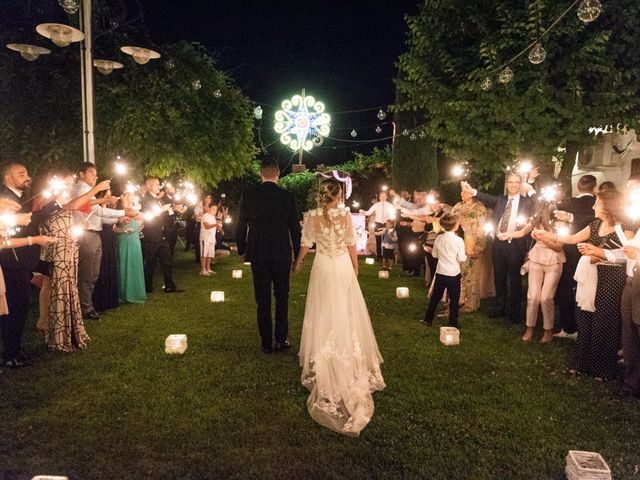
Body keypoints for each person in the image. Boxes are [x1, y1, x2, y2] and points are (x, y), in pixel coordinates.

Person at [294, 179, 385, 436]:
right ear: (339, 195)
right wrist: (355, 266)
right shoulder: (344, 214)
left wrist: (298, 261)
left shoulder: (311, 216)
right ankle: (341, 347)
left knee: (323, 309)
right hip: (341, 265)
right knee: (344, 307)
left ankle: (323, 349)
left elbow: (306, 243)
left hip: (323, 266)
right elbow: (350, 243)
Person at [535, 189, 633, 380]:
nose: (594, 205)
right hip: (590, 278)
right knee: (585, 319)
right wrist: (547, 236)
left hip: (611, 279)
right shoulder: (595, 224)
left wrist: (598, 252)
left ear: (609, 206)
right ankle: (582, 364)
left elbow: (628, 253)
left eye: (598, 202)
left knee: (605, 322)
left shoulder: (625, 226)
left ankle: (603, 369)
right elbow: (571, 239)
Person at [0, 163, 63, 367]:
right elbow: (9, 235)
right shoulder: (5, 200)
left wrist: (53, 204)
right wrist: (34, 239)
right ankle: (9, 354)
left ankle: (16, 348)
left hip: (24, 259)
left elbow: (31, 219)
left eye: (27, 172)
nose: (27, 177)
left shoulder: (19, 199)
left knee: (21, 307)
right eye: (21, 174)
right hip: (11, 260)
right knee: (14, 307)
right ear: (8, 178)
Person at [41, 172, 112, 352]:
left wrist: (78, 226)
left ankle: (72, 329)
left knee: (70, 289)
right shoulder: (49, 200)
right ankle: (59, 334)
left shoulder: (62, 200)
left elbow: (73, 210)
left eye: (70, 183)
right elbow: (71, 205)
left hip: (70, 249)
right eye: (66, 183)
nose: (69, 186)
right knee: (61, 291)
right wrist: (96, 189)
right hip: (59, 252)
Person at [236, 158, 301, 353]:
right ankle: (281, 340)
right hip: (281, 252)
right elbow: (295, 229)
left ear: (260, 173)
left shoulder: (249, 195)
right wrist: (297, 255)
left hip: (258, 252)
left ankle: (266, 343)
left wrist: (242, 249)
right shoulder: (288, 197)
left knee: (262, 299)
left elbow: (240, 225)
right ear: (278, 173)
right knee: (282, 297)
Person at [462, 174, 533, 323]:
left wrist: (531, 183)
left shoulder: (527, 202)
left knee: (514, 280)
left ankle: (514, 313)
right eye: (511, 182)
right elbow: (487, 198)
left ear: (520, 184)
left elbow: (540, 204)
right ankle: (499, 308)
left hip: (516, 244)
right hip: (499, 244)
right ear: (507, 184)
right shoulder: (501, 200)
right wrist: (473, 191)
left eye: (516, 182)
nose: (513, 185)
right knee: (499, 277)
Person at [71, 163, 135, 320]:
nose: (95, 176)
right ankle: (85, 308)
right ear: (81, 174)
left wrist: (119, 217)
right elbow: (97, 210)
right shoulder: (82, 190)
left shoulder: (87, 191)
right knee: (88, 273)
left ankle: (87, 304)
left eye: (96, 173)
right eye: (91, 173)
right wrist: (123, 211)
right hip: (86, 234)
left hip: (93, 233)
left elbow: (97, 216)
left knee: (92, 273)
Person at [499, 198, 565, 342]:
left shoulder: (559, 223)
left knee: (546, 297)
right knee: (532, 297)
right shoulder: (535, 220)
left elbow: (559, 247)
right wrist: (508, 234)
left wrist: (544, 238)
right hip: (536, 258)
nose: (539, 211)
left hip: (554, 260)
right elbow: (522, 232)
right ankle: (529, 328)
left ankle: (548, 330)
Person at [552, 174, 597, 339]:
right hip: (592, 254)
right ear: (595, 188)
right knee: (587, 291)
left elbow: (551, 211)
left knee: (566, 289)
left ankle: (569, 327)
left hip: (571, 252)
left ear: (578, 186)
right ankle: (586, 329)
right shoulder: (596, 202)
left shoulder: (570, 203)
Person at [421, 213, 467, 328]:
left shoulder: (439, 238)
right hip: (453, 274)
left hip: (441, 272)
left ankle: (428, 319)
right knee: (454, 299)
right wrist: (465, 256)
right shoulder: (458, 240)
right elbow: (461, 258)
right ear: (456, 226)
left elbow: (435, 255)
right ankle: (453, 323)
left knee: (435, 297)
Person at [140, 177, 183, 294]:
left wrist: (174, 209)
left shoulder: (159, 199)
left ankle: (170, 285)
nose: (159, 186)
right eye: (156, 184)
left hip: (162, 233)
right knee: (151, 262)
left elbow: (164, 213)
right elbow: (147, 215)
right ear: (149, 186)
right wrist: (160, 211)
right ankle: (147, 287)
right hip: (151, 233)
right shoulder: (145, 199)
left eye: (159, 184)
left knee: (167, 260)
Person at [451, 187, 487, 313]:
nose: (462, 194)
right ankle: (458, 300)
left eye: (465, 191)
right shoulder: (457, 206)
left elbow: (482, 228)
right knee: (458, 274)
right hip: (457, 243)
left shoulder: (479, 208)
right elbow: (450, 220)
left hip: (471, 244)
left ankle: (471, 304)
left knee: (471, 275)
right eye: (461, 191)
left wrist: (479, 247)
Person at [114, 193, 146, 304]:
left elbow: (140, 217)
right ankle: (125, 293)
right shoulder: (120, 212)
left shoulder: (131, 210)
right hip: (125, 240)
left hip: (134, 240)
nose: (129, 198)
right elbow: (137, 215)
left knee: (134, 263)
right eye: (127, 198)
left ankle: (136, 291)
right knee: (125, 263)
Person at [360, 190, 395, 259]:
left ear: (386, 197)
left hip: (386, 224)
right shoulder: (376, 205)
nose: (382, 197)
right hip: (378, 223)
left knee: (387, 240)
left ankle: (387, 256)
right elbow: (369, 212)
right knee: (378, 240)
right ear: (379, 197)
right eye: (381, 196)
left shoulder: (390, 205)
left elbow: (393, 214)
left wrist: (391, 221)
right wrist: (363, 212)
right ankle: (379, 256)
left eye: (384, 196)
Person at [199, 203, 218, 276]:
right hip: (205, 238)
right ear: (209, 208)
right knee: (204, 254)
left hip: (211, 238)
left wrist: (217, 227)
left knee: (210, 254)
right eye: (213, 208)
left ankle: (208, 268)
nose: (215, 210)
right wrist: (215, 225)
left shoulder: (213, 217)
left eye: (216, 209)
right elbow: (206, 226)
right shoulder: (205, 216)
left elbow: (214, 228)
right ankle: (203, 270)